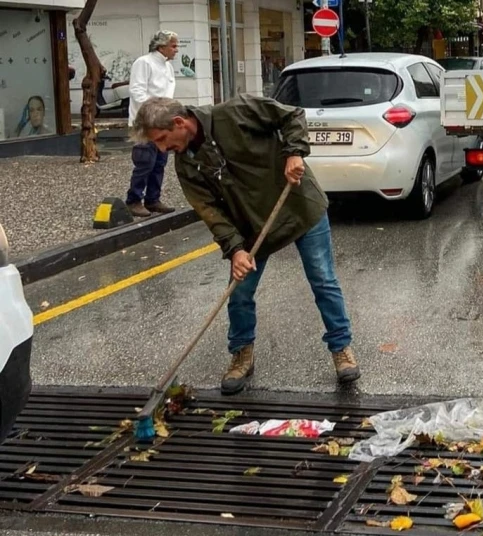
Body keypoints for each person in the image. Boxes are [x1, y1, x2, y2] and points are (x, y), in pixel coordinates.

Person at [130, 95, 361, 394]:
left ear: (179, 122)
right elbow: (210, 211)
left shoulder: (235, 112)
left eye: (162, 139)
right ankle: (242, 354)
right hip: (251, 228)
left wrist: (294, 153)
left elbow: (291, 115)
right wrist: (236, 249)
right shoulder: (186, 164)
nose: (162, 149)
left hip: (298, 206)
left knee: (323, 280)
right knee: (239, 292)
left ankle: (341, 349)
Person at [125, 30, 179, 217]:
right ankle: (133, 200)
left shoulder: (167, 67)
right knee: (144, 162)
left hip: (162, 122)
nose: (176, 50)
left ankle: (153, 199)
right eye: (173, 46)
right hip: (146, 122)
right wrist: (158, 110)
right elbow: (137, 92)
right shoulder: (144, 63)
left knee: (159, 163)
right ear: (161, 46)